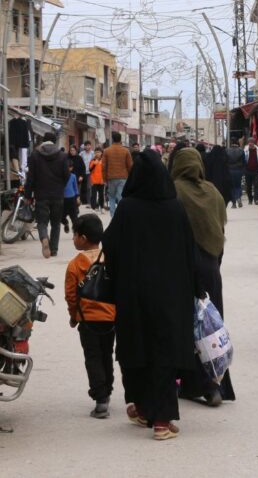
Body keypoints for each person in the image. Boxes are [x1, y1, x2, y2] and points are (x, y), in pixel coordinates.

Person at [102, 149, 199, 441]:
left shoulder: (128, 208)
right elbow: (188, 253)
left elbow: (110, 245)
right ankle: (161, 422)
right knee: (165, 353)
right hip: (170, 295)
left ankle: (142, 408)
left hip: (133, 294)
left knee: (136, 347)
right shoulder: (174, 208)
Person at [170, 148, 235, 406]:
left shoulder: (173, 190)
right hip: (210, 267)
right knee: (210, 326)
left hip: (182, 268)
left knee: (186, 327)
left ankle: (190, 383)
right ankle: (216, 385)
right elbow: (219, 228)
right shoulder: (213, 192)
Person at [64, 213, 116, 419]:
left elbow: (71, 296)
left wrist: (74, 316)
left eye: (75, 234)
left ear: (83, 238)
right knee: (106, 355)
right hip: (111, 318)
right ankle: (107, 391)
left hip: (88, 319)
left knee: (93, 357)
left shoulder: (75, 265)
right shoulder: (109, 258)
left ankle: (100, 399)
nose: (73, 238)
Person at [26, 132, 69, 259]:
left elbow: (30, 177)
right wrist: (61, 186)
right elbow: (67, 175)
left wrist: (28, 194)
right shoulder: (62, 155)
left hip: (41, 194)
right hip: (57, 194)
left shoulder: (35, 155)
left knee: (42, 222)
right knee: (55, 223)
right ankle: (54, 249)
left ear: (43, 141)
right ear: (54, 141)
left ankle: (44, 238)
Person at [102, 132, 133, 217]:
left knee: (111, 197)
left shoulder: (106, 151)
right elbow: (130, 166)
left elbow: (104, 166)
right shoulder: (126, 151)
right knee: (120, 197)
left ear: (112, 139)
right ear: (120, 139)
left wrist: (104, 179)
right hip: (123, 177)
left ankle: (113, 216)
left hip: (111, 177)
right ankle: (121, 216)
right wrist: (131, 178)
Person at [243, 138, 258, 205]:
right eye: (249, 142)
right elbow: (243, 160)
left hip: (256, 171)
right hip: (248, 171)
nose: (250, 143)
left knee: (256, 185)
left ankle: (256, 199)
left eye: (251, 142)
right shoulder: (245, 150)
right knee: (248, 186)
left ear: (254, 143)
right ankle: (250, 199)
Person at [63, 160, 80, 234]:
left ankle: (75, 232)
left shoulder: (73, 176)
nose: (68, 168)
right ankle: (65, 223)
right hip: (63, 199)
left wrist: (78, 197)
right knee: (61, 216)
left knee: (74, 217)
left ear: (72, 168)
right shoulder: (60, 176)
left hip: (72, 198)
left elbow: (75, 187)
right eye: (66, 167)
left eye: (70, 167)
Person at [227, 140, 245, 208]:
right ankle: (239, 198)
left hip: (230, 170)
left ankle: (234, 203)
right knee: (238, 185)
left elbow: (225, 161)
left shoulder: (227, 151)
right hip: (238, 170)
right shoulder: (241, 150)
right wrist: (243, 171)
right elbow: (244, 162)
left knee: (232, 187)